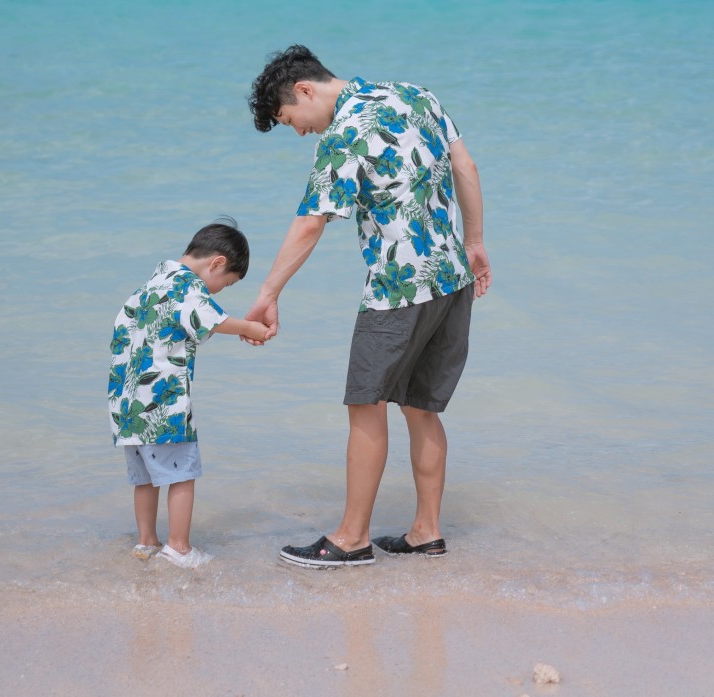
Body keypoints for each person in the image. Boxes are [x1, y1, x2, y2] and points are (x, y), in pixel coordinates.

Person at [244, 46, 492, 568]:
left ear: (305, 91)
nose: (298, 132)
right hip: (451, 279)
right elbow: (464, 164)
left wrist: (267, 294)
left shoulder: (343, 134)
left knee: (366, 404)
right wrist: (475, 241)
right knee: (422, 408)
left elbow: (311, 222)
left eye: (291, 119)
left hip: (398, 290)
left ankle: (351, 538)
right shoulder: (413, 94)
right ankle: (427, 531)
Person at [108, 220, 271, 569]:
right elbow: (208, 317)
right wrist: (248, 327)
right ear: (216, 264)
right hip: (163, 404)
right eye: (225, 284)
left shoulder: (149, 285)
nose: (219, 292)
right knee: (182, 472)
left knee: (146, 478)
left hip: (128, 405)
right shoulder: (187, 287)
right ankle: (179, 548)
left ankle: (147, 542)